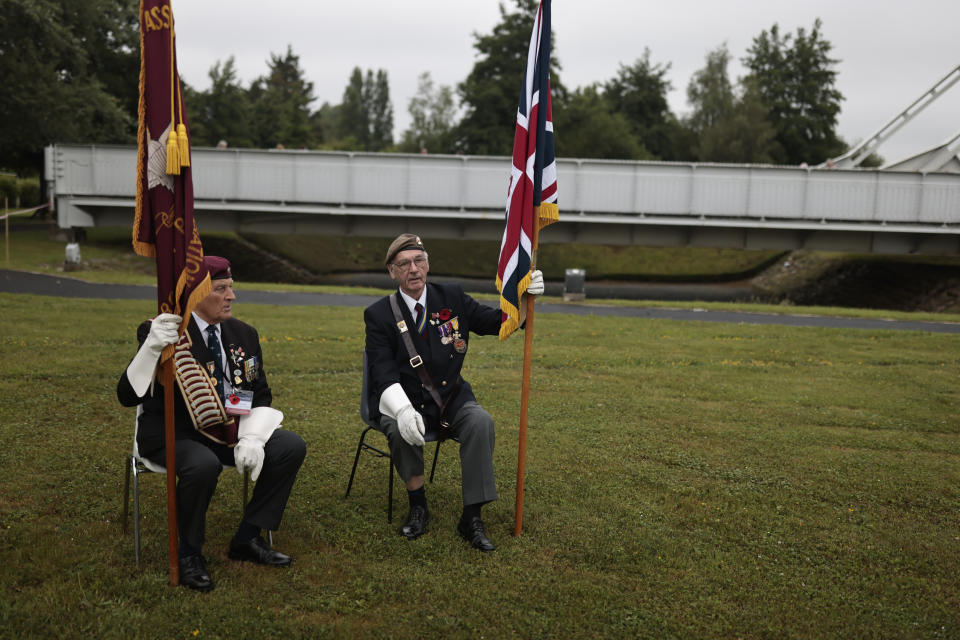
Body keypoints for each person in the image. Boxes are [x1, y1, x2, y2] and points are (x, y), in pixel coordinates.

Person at [117, 256, 306, 592]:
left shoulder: (244, 334)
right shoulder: (165, 331)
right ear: (195, 295)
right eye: (221, 289)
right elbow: (127, 396)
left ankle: (247, 538)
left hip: (229, 432)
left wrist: (251, 437)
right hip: (172, 434)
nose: (231, 296)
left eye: (231, 287)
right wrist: (151, 346)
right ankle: (189, 554)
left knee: (289, 446)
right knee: (202, 465)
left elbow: (260, 395)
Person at [363, 234, 543, 551]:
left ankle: (471, 517)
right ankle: (418, 505)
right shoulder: (379, 314)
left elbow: (495, 322)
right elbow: (381, 371)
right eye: (404, 264)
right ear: (392, 272)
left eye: (419, 261)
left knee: (480, 422)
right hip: (404, 400)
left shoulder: (452, 297)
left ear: (428, 263)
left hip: (450, 400)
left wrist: (524, 298)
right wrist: (402, 410)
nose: (413, 269)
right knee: (397, 428)